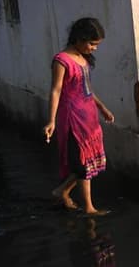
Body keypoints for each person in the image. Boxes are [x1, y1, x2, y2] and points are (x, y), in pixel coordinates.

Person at [43, 17, 114, 215]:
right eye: (92, 43)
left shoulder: (83, 59)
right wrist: (51, 120)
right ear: (79, 38)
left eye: (96, 44)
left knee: (90, 160)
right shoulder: (61, 60)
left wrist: (102, 108)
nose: (94, 48)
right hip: (72, 118)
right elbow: (55, 90)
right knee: (81, 163)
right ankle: (86, 206)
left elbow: (87, 88)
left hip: (89, 116)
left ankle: (62, 193)